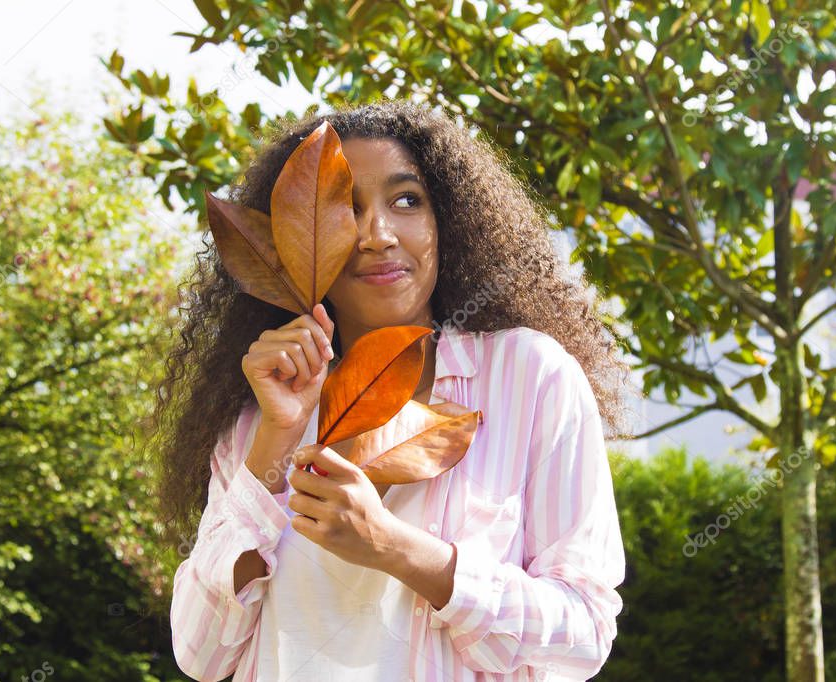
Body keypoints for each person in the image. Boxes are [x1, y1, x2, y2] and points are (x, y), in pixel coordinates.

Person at [152, 99, 630, 681]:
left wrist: (398, 548)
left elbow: (583, 632)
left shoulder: (529, 375)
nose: (378, 234)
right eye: (345, 207)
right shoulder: (257, 415)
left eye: (406, 200)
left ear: (446, 220)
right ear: (297, 238)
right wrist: (276, 440)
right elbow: (202, 655)